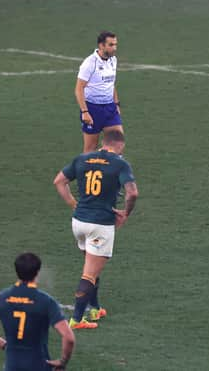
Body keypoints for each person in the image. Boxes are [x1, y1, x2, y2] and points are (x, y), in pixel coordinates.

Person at [53, 130, 138, 329]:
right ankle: (76, 319)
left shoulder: (82, 159)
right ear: (120, 145)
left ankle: (94, 308)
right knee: (89, 273)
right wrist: (126, 213)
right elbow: (132, 193)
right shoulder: (120, 163)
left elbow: (59, 181)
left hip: (79, 222)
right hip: (100, 225)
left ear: (103, 143)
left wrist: (73, 203)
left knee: (92, 264)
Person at [0, 252, 75, 371]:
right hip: (38, 365)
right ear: (37, 272)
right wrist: (63, 361)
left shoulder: (1, 298)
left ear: (17, 271)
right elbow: (69, 338)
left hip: (12, 365)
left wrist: (7, 346)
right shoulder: (46, 301)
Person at [75, 31, 123, 153]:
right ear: (101, 45)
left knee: (117, 145)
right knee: (90, 149)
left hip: (110, 108)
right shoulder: (90, 63)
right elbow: (79, 88)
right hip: (92, 109)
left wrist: (116, 103)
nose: (114, 48)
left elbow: (111, 84)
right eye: (111, 45)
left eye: (115, 44)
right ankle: (87, 170)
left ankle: (110, 168)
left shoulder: (113, 60)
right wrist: (85, 112)